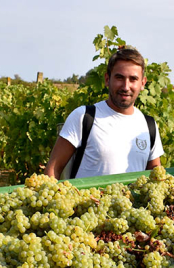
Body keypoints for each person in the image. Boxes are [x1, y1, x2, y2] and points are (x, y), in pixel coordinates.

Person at [44, 47, 164, 179]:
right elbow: (53, 170)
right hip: (88, 200)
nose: (125, 86)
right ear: (107, 79)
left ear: (142, 83)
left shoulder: (149, 126)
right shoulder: (84, 117)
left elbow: (154, 178)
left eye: (133, 79)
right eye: (119, 77)